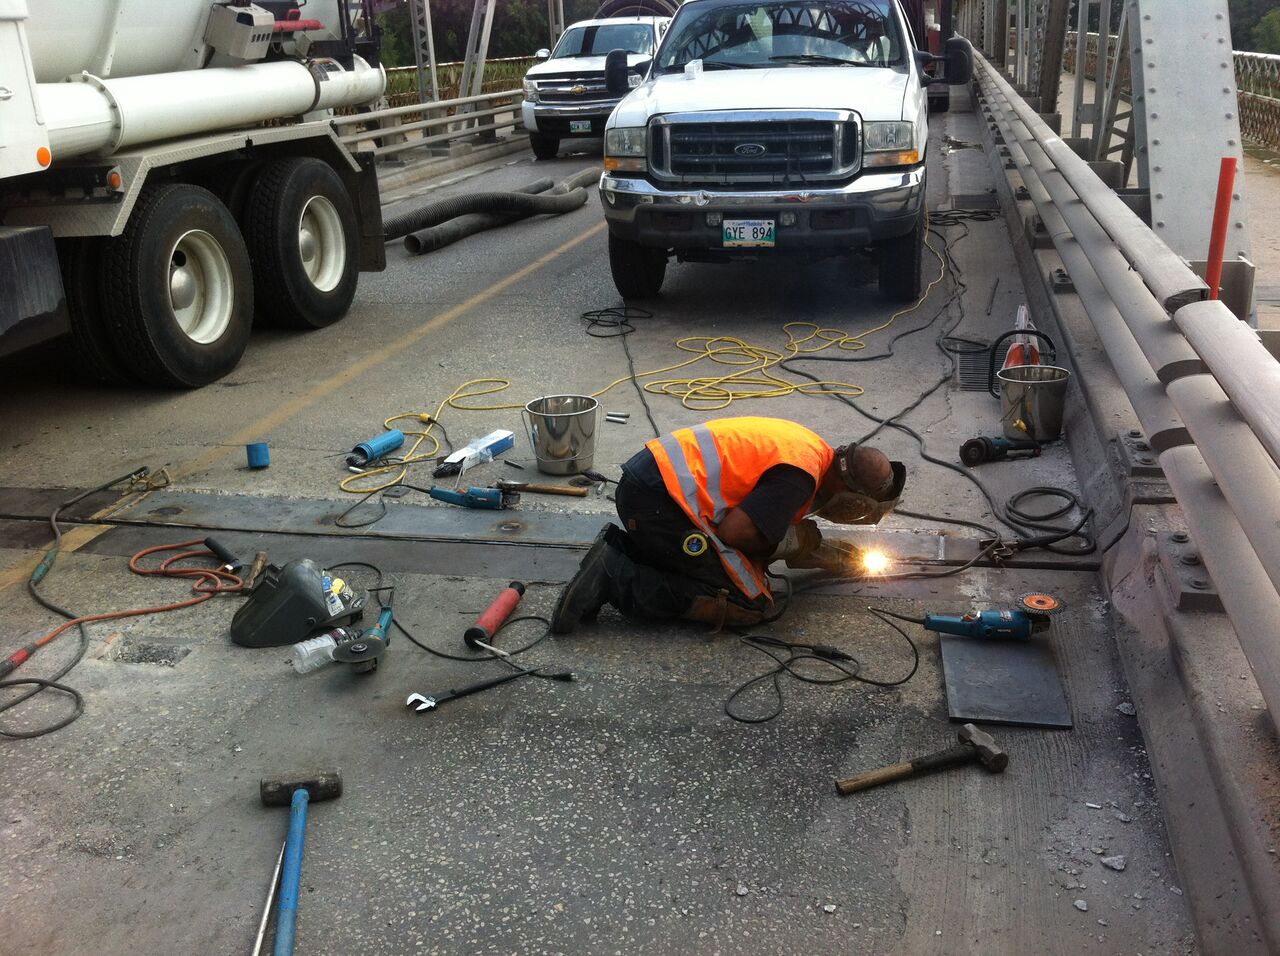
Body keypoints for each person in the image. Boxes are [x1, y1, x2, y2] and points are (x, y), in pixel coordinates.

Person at [550, 416, 905, 633]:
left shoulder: (812, 449)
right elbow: (735, 533)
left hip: (648, 490)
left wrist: (809, 548)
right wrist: (791, 542)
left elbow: (751, 512)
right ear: (851, 492)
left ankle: (621, 552)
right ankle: (613, 578)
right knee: (750, 602)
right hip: (660, 505)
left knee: (730, 566)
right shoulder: (799, 478)